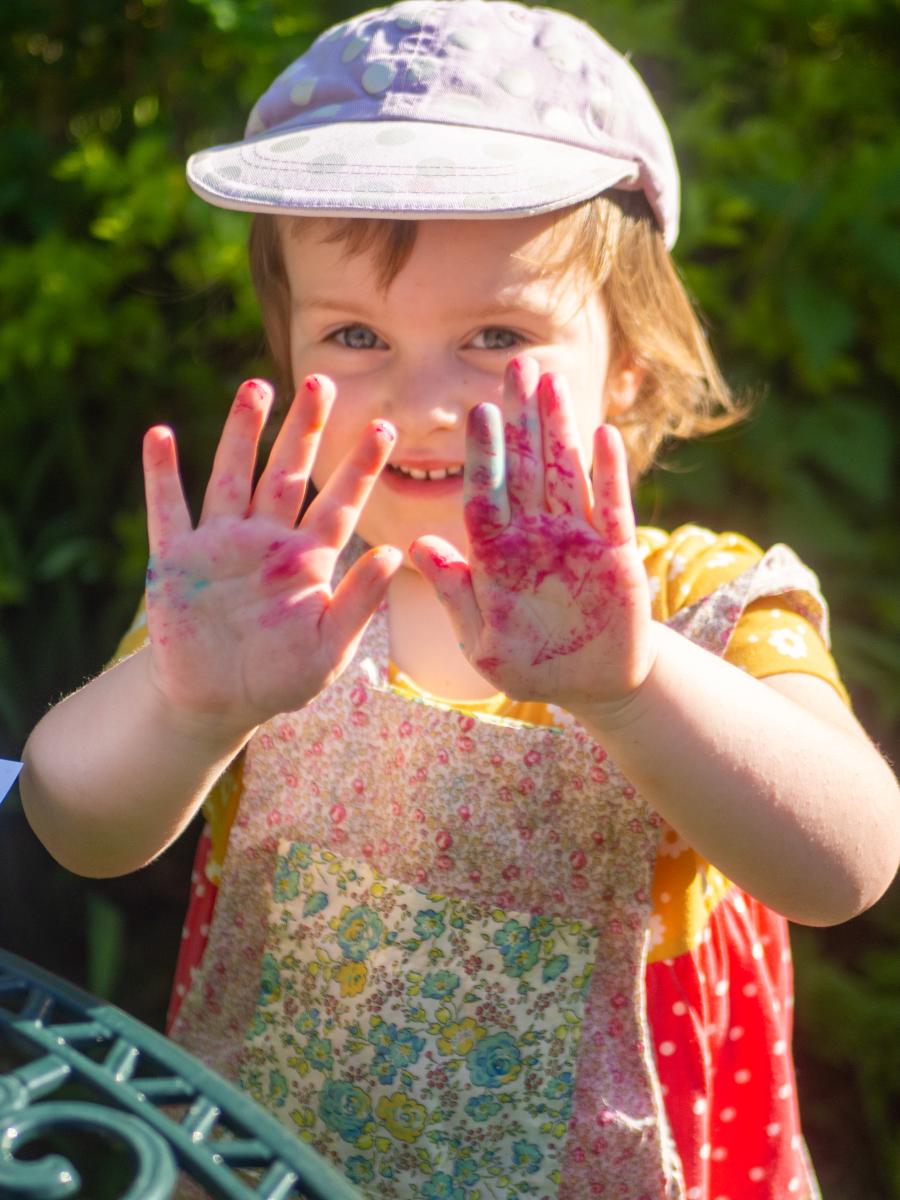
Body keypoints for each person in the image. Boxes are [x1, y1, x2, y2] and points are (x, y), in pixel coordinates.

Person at [20, 2, 899, 1197]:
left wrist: (636, 689)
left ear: (626, 361)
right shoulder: (272, 593)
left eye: (495, 332)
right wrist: (189, 710)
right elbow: (78, 824)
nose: (422, 397)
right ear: (289, 353)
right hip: (278, 1166)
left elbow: (848, 861)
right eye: (354, 333)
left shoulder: (695, 598)